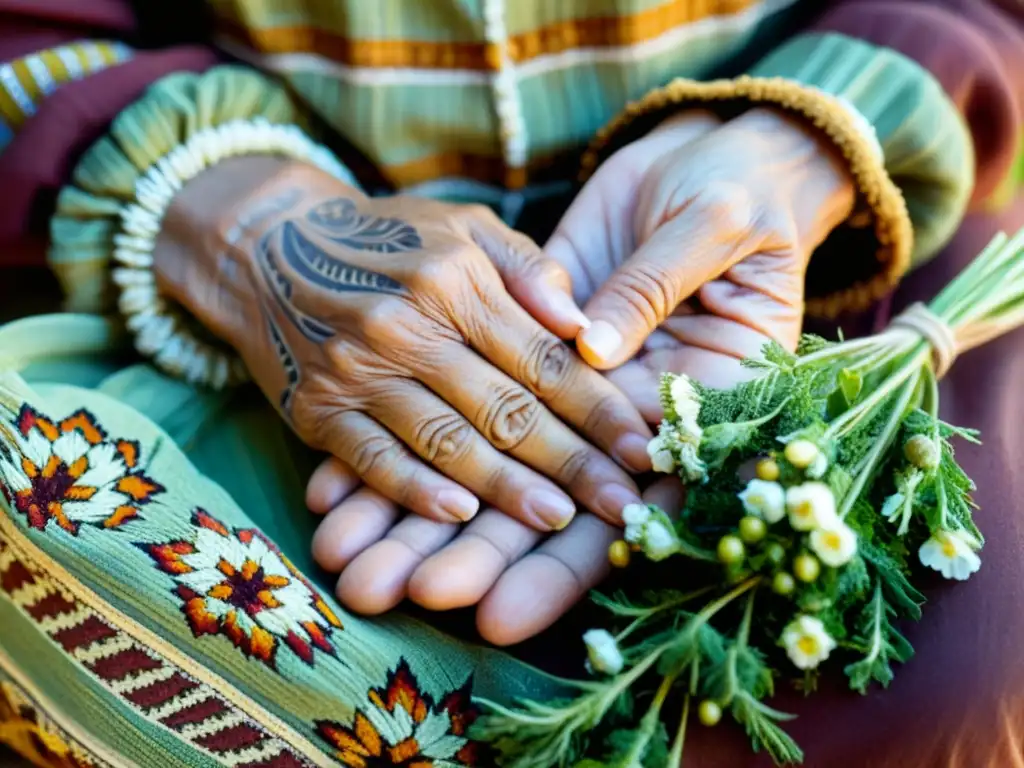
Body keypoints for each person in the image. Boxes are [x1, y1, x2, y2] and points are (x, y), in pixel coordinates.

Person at [0, 1, 1021, 766]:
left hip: (784, 267)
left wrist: (794, 141)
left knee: (954, 661)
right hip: (221, 300)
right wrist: (252, 232)